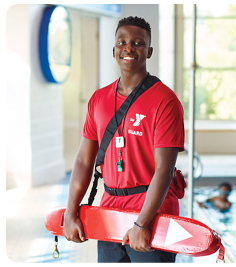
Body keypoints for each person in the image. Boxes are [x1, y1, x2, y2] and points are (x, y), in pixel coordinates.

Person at [62, 16, 185, 263]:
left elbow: (165, 169)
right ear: (114, 49)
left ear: (149, 51)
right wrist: (70, 211)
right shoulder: (98, 99)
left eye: (138, 43)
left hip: (152, 214)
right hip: (110, 213)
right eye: (122, 42)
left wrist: (142, 222)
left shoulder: (165, 101)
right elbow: (84, 162)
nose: (129, 48)